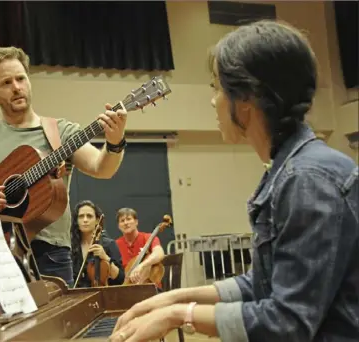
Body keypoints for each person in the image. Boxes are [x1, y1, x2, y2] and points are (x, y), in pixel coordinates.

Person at [109, 20, 358, 342]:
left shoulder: (307, 178)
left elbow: (288, 321)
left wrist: (178, 315)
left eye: (216, 88)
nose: (213, 101)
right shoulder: (293, 169)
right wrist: (174, 298)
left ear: (247, 98)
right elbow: (265, 282)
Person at [0, 46, 128, 287]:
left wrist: (115, 143)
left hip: (51, 257)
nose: (16, 87)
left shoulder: (60, 131)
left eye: (21, 78)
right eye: (6, 82)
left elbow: (102, 168)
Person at [71, 200, 125, 288]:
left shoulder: (109, 244)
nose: (85, 220)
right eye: (81, 216)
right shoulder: (71, 246)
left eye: (89, 216)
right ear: (76, 221)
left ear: (97, 220)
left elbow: (120, 279)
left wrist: (106, 258)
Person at [115, 208, 165, 286]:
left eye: (128, 219)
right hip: (126, 288)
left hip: (149, 287)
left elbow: (159, 253)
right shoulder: (116, 244)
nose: (125, 223)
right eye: (122, 220)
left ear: (136, 222)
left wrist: (142, 265)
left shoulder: (148, 238)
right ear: (119, 226)